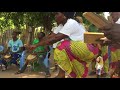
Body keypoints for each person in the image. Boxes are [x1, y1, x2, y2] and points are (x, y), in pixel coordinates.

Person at [28, 12, 101, 78]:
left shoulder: (71, 23)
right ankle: (67, 74)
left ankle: (61, 74)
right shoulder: (61, 26)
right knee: (64, 49)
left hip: (89, 49)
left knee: (61, 46)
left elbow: (54, 39)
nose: (55, 16)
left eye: (57, 14)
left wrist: (35, 45)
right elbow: (49, 37)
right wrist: (35, 45)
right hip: (82, 49)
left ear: (65, 15)